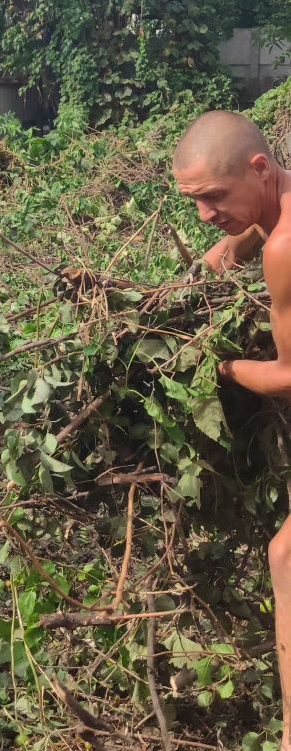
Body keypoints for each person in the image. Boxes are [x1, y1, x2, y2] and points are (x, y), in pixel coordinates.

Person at [173, 109, 291, 750]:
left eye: (214, 198)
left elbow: (289, 375)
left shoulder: (284, 248)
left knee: (287, 557)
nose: (205, 215)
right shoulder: (276, 209)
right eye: (193, 202)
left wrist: (221, 364)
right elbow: (257, 225)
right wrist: (230, 242)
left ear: (258, 168)